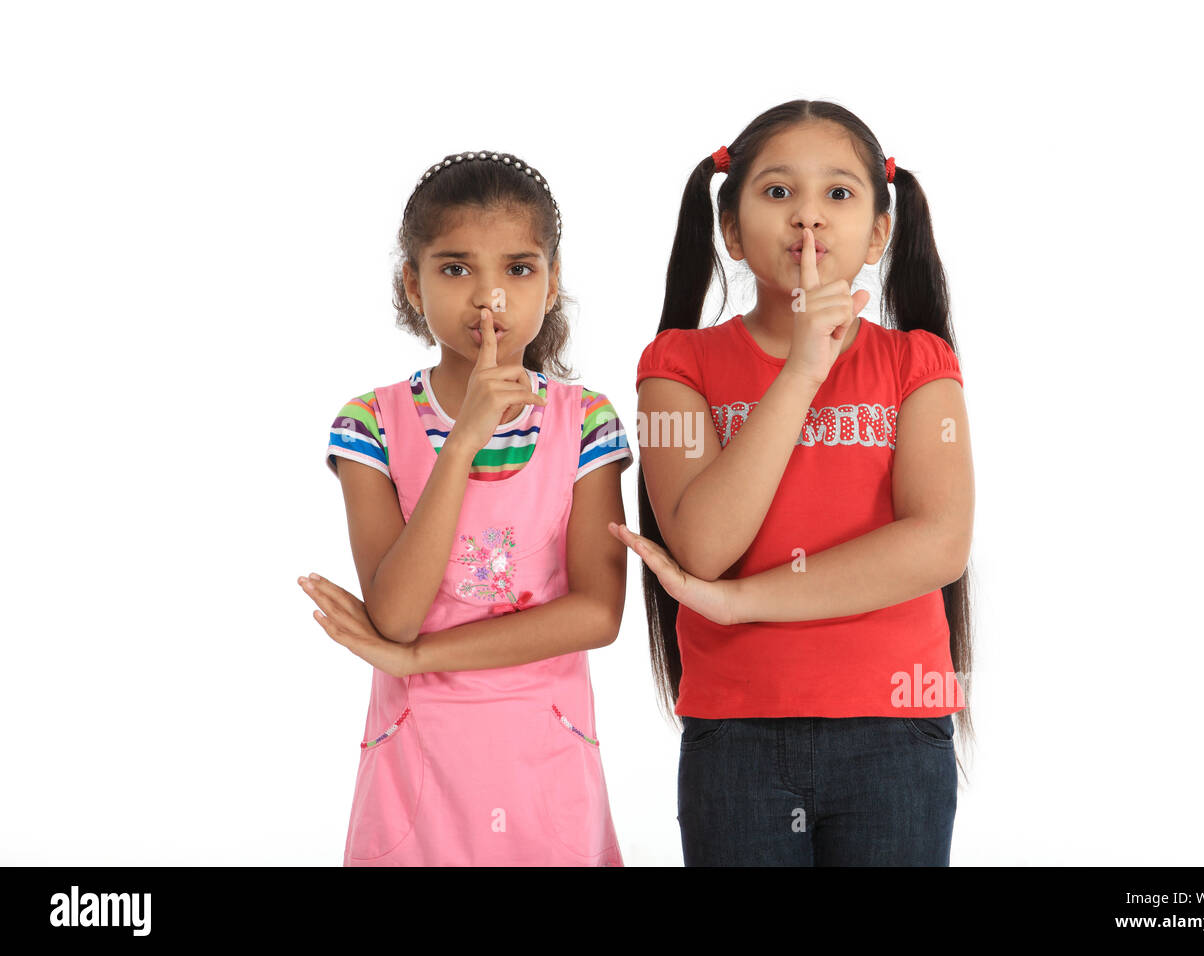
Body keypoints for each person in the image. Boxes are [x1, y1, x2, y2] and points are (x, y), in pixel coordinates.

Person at [609, 100, 976, 866]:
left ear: (880, 231)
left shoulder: (918, 365)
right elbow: (705, 545)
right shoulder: (677, 367)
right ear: (732, 231)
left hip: (897, 734)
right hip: (738, 737)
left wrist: (744, 602)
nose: (807, 218)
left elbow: (938, 544)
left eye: (838, 194)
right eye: (777, 192)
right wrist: (803, 368)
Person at [300, 150, 631, 866]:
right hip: (418, 758)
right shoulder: (371, 423)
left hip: (544, 757)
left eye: (518, 268)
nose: (490, 298)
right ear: (410, 284)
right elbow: (395, 613)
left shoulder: (587, 421)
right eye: (455, 268)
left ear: (552, 283)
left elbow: (597, 613)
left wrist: (415, 657)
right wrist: (463, 442)